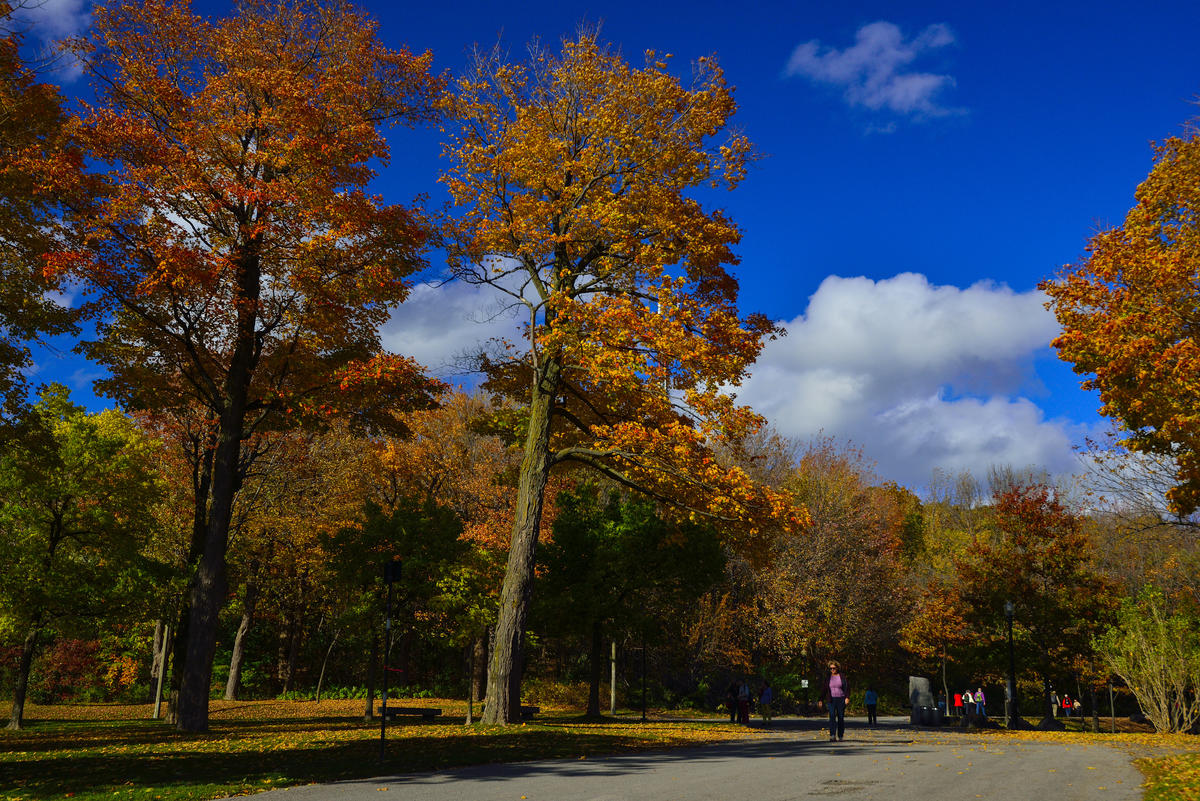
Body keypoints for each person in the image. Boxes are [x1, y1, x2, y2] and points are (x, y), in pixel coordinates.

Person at [820, 661, 849, 741]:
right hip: (831, 699)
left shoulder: (842, 676)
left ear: (837, 668)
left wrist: (847, 697)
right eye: (831, 668)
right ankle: (832, 735)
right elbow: (824, 689)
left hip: (841, 699)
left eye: (834, 668)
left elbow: (847, 687)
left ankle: (840, 736)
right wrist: (820, 699)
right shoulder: (828, 677)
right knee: (832, 717)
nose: (832, 670)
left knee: (840, 717)